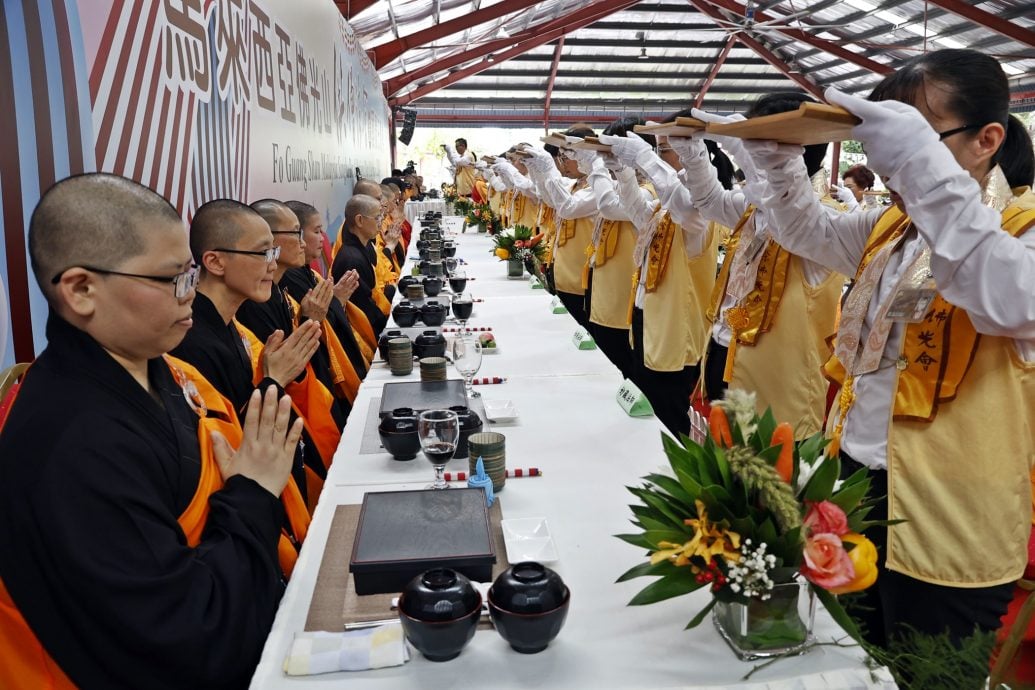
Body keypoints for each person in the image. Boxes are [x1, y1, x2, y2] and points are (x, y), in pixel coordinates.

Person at [743, 49, 1035, 660]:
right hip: (852, 477)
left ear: (987, 139)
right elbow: (807, 234)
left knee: (930, 669)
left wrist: (921, 170)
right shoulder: (890, 229)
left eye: (920, 142)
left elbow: (998, 294)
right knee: (844, 654)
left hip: (949, 504)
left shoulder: (1020, 231)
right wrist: (779, 164)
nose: (893, 170)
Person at [0, 173, 303, 688]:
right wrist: (251, 492)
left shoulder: (161, 371)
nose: (191, 296)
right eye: (173, 280)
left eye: (190, 275)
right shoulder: (71, 447)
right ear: (81, 289)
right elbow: (189, 638)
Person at [672, 94, 846, 438]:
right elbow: (708, 201)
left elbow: (791, 217)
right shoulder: (754, 209)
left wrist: (741, 150)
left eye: (757, 146)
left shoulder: (825, 223)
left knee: (769, 479)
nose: (748, 160)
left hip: (778, 383)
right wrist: (692, 156)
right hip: (723, 351)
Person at [170, 198, 329, 511]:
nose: (273, 263)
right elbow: (227, 449)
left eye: (273, 252)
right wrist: (273, 380)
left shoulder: (233, 327)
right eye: (262, 253)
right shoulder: (191, 343)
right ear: (215, 262)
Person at [597, 113, 736, 437]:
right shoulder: (663, 206)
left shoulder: (699, 211)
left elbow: (685, 209)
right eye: (659, 150)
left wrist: (644, 160)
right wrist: (621, 170)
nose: (659, 157)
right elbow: (635, 211)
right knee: (644, 405)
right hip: (649, 319)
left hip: (676, 330)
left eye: (666, 150)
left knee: (667, 418)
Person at [583, 117, 656, 383]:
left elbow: (609, 206)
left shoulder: (651, 192)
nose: (605, 159)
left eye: (611, 152)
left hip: (624, 295)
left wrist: (597, 167)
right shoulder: (621, 184)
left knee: (626, 370)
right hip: (605, 289)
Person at [282, 200, 367, 393]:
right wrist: (336, 301)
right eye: (317, 231)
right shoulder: (290, 278)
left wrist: (336, 301)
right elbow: (319, 323)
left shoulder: (308, 273)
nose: (323, 238)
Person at [523, 126, 597, 328]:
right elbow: (548, 198)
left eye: (567, 156)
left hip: (579, 278)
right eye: (561, 157)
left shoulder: (598, 187)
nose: (563, 164)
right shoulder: (574, 185)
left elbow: (567, 207)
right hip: (562, 272)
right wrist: (535, 170)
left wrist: (547, 169)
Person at [332, 194, 390, 336]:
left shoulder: (364, 246)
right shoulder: (352, 260)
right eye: (377, 218)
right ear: (359, 220)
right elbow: (362, 310)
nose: (381, 222)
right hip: (362, 332)